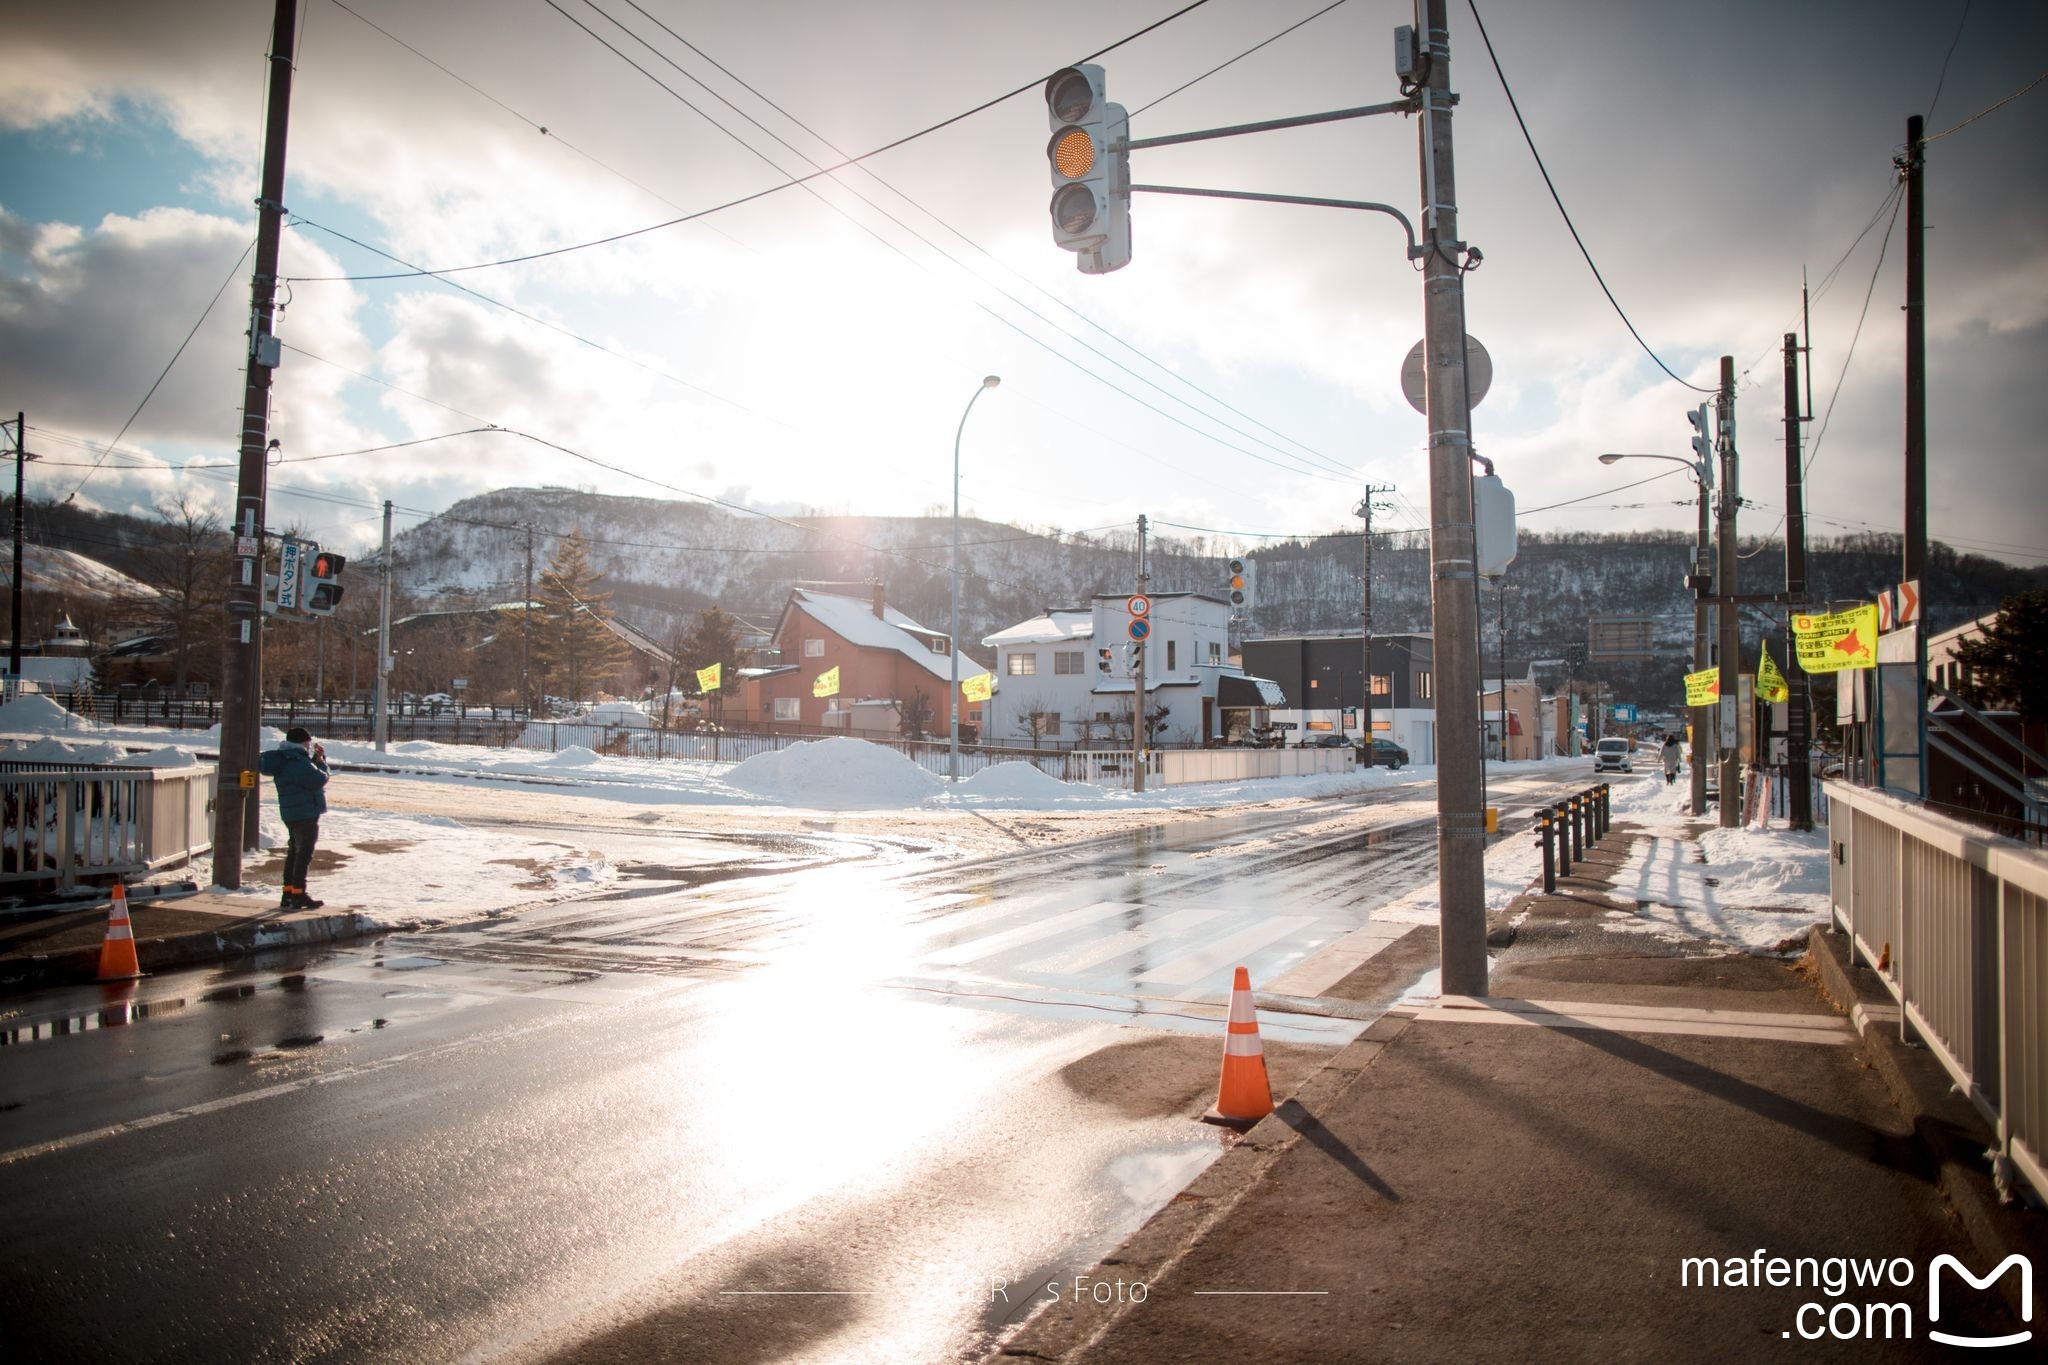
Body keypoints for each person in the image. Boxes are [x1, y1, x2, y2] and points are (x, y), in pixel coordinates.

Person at [257, 726, 330, 910]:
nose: (309, 745)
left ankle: (289, 894)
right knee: (303, 854)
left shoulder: (287, 759)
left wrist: (316, 760)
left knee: (294, 852)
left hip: (292, 813)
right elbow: (317, 779)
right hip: (304, 813)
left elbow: (306, 776)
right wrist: (321, 763)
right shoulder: (296, 761)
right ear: (300, 742)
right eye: (307, 742)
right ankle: (298, 894)